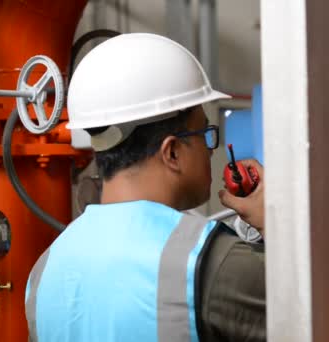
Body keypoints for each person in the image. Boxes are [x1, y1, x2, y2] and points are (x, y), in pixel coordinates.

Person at [24, 33, 266, 342]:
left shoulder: (43, 272)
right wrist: (276, 224)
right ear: (172, 152)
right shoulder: (213, 263)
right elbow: (325, 317)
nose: (210, 150)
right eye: (205, 134)